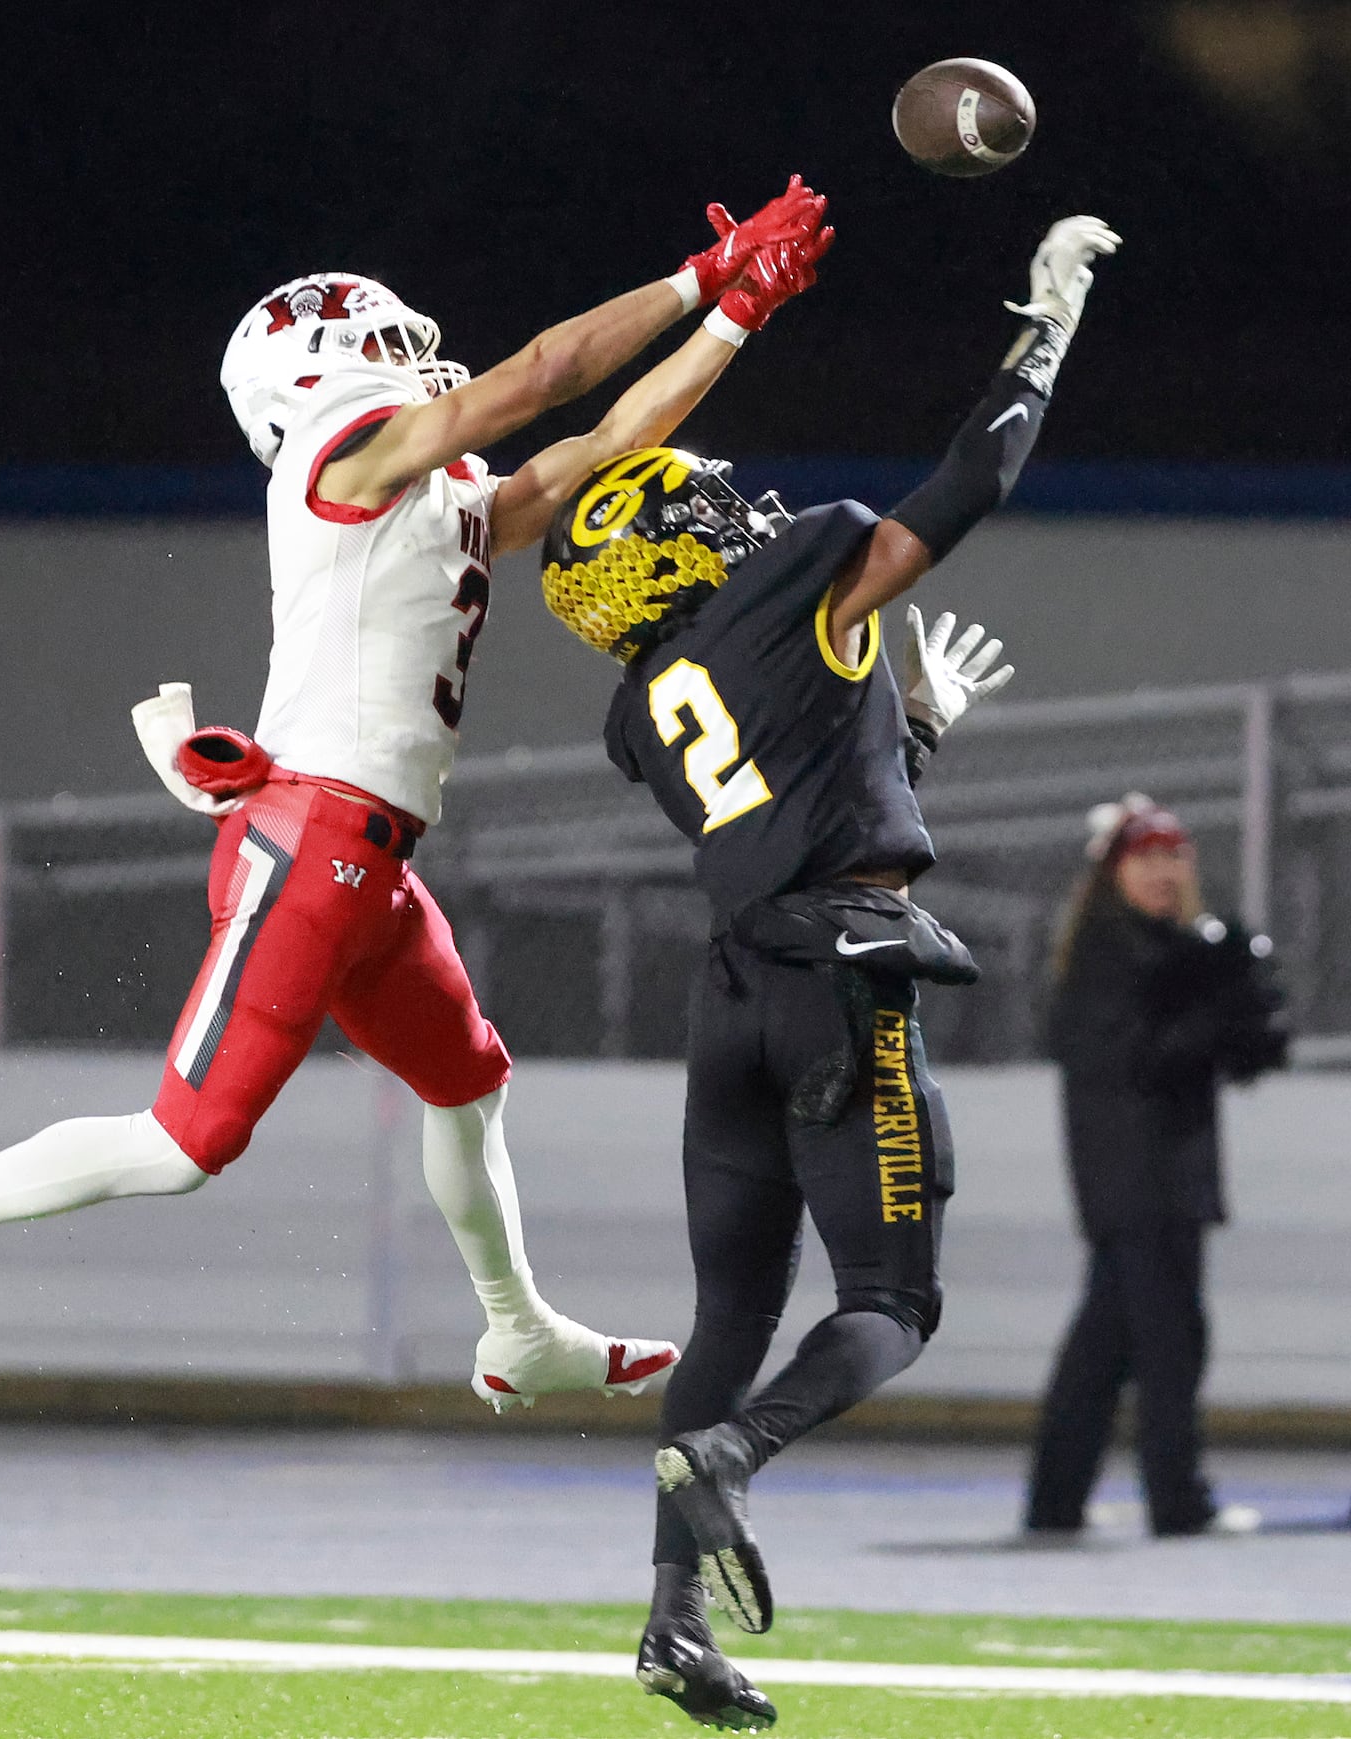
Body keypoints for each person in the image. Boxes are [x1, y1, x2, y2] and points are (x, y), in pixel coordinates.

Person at [0, 179, 835, 1415]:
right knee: (186, 1144)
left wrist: (734, 317)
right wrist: (696, 273)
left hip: (368, 852)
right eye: (387, 341)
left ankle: (518, 1328)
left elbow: (602, 445)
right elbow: (532, 378)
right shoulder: (340, 458)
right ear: (314, 370)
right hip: (311, 839)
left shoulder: (433, 494)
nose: (416, 358)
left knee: (469, 1081)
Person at [538, 212, 1120, 1728]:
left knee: (730, 1314)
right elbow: (969, 483)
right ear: (666, 544)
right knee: (891, 1296)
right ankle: (737, 1455)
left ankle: (671, 1622)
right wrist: (1042, 331)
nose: (739, 504)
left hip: (729, 988)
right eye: (702, 503)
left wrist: (905, 730)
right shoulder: (801, 567)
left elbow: (774, 786)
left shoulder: (637, 706)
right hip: (833, 976)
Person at [1024, 793, 1287, 1541]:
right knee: (1170, 1341)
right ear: (1114, 871)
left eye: (1175, 854)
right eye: (1147, 855)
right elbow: (1144, 1059)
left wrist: (1246, 1018)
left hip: (1158, 1179)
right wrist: (1220, 1012)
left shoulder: (1167, 949)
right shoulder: (1110, 955)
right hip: (1141, 1183)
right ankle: (1178, 1498)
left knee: (1105, 1348)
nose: (1165, 869)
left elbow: (1224, 1051)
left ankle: (1055, 1500)